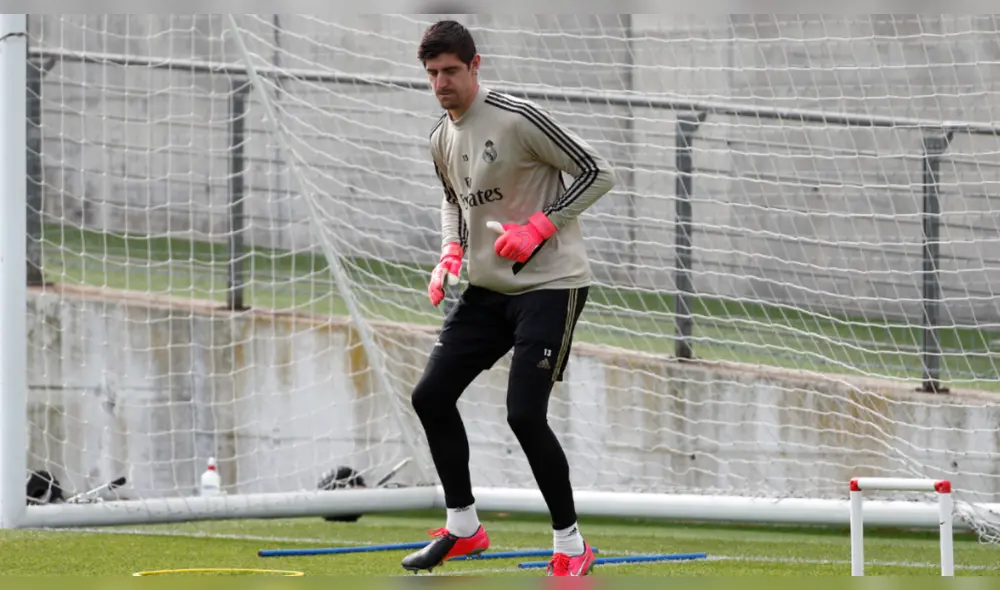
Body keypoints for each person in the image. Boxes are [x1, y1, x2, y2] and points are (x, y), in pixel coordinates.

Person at [402, 19, 616, 577]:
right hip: (488, 290)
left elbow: (598, 171)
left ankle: (572, 547)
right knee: (430, 396)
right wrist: (451, 251)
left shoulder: (517, 118)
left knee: (524, 414)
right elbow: (453, 198)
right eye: (431, 74)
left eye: (451, 71)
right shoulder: (439, 137)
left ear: (475, 66)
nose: (441, 83)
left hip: (551, 287)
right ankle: (464, 527)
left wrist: (542, 225)